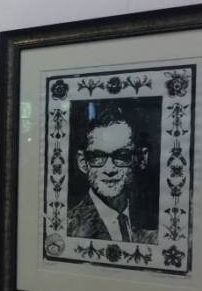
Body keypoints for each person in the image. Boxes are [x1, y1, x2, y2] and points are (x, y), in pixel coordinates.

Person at [67, 104, 157, 244]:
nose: (109, 170)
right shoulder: (68, 227)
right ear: (83, 162)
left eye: (122, 156)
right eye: (97, 156)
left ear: (141, 159)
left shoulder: (157, 223)